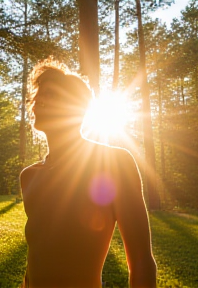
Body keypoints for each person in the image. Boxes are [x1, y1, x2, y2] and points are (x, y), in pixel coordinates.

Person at [20, 59, 157, 288]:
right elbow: (37, 257)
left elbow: (141, 260)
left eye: (51, 95)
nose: (38, 102)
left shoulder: (114, 163)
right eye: (37, 96)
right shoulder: (29, 177)